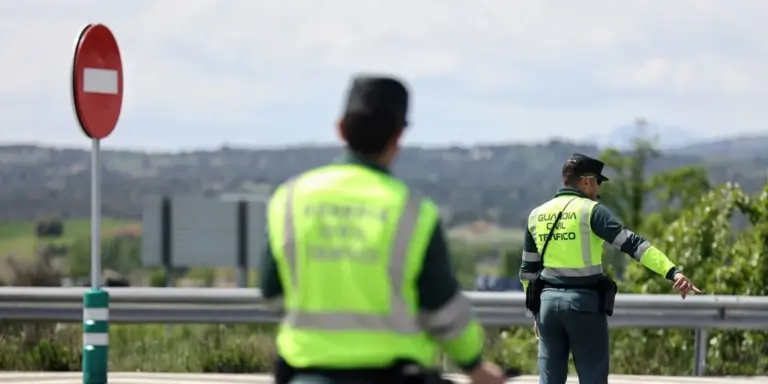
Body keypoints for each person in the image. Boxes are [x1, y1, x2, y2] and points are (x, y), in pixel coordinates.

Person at [259, 74, 507, 384]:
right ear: (398, 136)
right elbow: (442, 307)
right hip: (394, 375)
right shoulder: (413, 211)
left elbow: (272, 291)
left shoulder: (290, 199)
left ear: (340, 129)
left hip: (307, 374)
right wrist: (474, 365)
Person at [518, 153, 701, 384]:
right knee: (593, 375)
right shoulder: (591, 211)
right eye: (598, 181)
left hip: (547, 308)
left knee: (549, 379)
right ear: (585, 181)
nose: (599, 188)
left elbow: (528, 271)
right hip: (583, 306)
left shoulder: (536, 215)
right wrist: (672, 272)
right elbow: (633, 244)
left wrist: (535, 312)